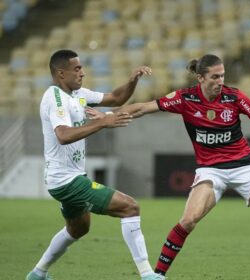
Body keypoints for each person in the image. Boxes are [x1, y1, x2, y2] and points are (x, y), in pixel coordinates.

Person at [87, 54, 250, 279]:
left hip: (244, 165)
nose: (220, 81)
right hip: (210, 170)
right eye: (215, 77)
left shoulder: (234, 96)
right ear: (200, 78)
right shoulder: (185, 98)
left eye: (222, 76)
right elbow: (142, 108)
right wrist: (107, 117)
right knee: (188, 220)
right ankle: (158, 275)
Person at [25, 49, 163, 280]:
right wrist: (104, 122)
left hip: (68, 178)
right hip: (66, 180)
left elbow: (116, 98)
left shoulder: (78, 94)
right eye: (77, 68)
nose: (82, 72)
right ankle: (148, 274)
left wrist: (132, 80)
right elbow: (63, 135)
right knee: (130, 207)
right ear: (61, 73)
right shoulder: (55, 97)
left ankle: (38, 273)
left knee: (78, 228)